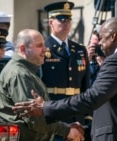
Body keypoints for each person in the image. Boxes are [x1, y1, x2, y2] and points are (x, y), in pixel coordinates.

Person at [12, 17, 117, 141]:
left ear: (113, 36)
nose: (99, 43)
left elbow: (92, 97)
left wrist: (46, 107)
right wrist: (86, 129)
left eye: (102, 38)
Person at [0, 29, 84, 141]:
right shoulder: (19, 74)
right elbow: (35, 119)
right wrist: (67, 131)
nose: (45, 49)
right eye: (39, 45)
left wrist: (65, 127)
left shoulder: (26, 71)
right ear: (23, 49)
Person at [41, 1, 91, 140]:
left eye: (68, 20)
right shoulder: (44, 48)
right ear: (51, 22)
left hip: (77, 112)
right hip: (56, 113)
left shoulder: (80, 49)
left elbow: (85, 86)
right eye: (61, 20)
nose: (66, 24)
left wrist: (87, 116)